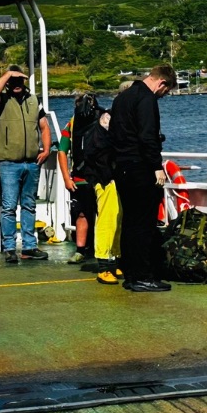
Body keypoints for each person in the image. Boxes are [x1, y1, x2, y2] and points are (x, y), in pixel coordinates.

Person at [109, 65, 176, 292]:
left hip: (122, 167)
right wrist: (156, 167)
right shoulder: (147, 100)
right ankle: (144, 276)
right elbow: (147, 136)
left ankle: (131, 274)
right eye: (165, 92)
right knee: (145, 224)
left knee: (130, 223)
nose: (163, 96)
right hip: (140, 169)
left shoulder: (122, 98)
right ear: (162, 83)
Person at [0, 65, 52, 264]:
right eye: (12, 81)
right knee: (8, 207)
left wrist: (47, 149)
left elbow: (44, 126)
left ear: (24, 81)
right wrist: (8, 75)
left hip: (31, 163)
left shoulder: (34, 101)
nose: (16, 84)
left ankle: (29, 247)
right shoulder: (1, 101)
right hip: (8, 164)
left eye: (18, 80)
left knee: (29, 206)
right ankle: (9, 248)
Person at [57, 93, 101, 264]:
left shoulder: (103, 119)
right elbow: (62, 150)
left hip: (100, 177)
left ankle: (103, 249)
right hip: (79, 177)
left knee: (103, 214)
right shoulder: (72, 124)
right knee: (81, 213)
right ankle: (80, 250)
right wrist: (67, 178)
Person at [83, 106, 122, 284]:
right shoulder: (101, 130)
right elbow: (99, 155)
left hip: (109, 179)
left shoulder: (97, 128)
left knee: (117, 218)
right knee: (107, 220)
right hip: (104, 180)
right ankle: (104, 266)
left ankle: (114, 260)